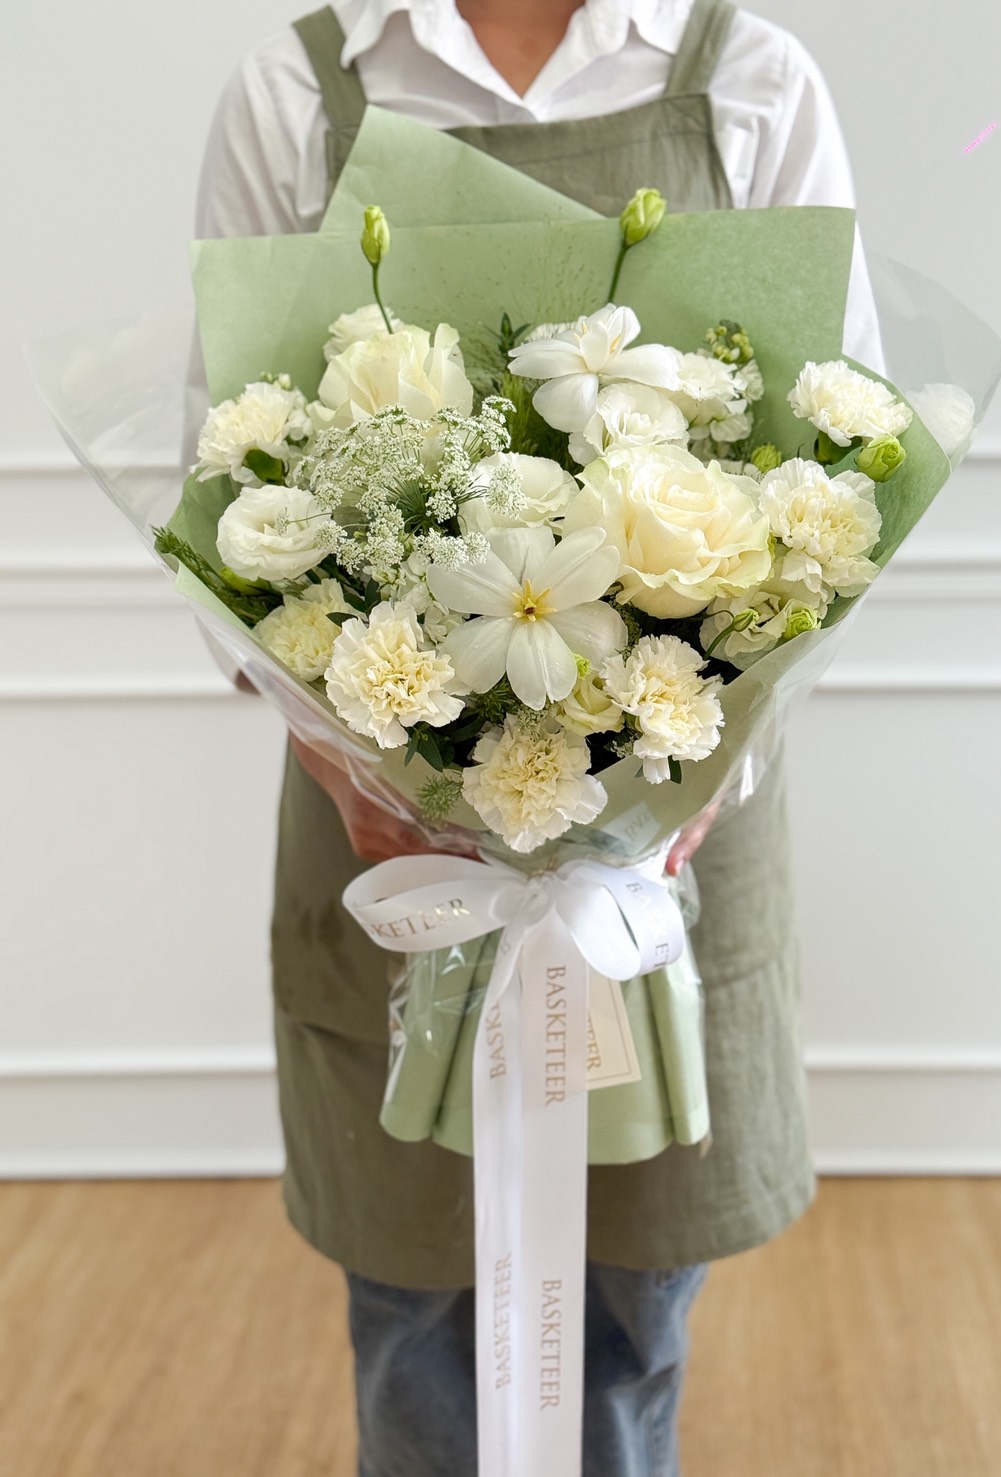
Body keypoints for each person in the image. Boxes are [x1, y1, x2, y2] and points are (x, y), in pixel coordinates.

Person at [192, 2, 883, 1472]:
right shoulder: (295, 97)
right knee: (415, 1302)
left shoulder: (749, 84)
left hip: (668, 830)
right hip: (378, 812)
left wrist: (677, 780)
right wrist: (371, 776)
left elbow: (842, 469)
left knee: (634, 1309)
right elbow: (223, 478)